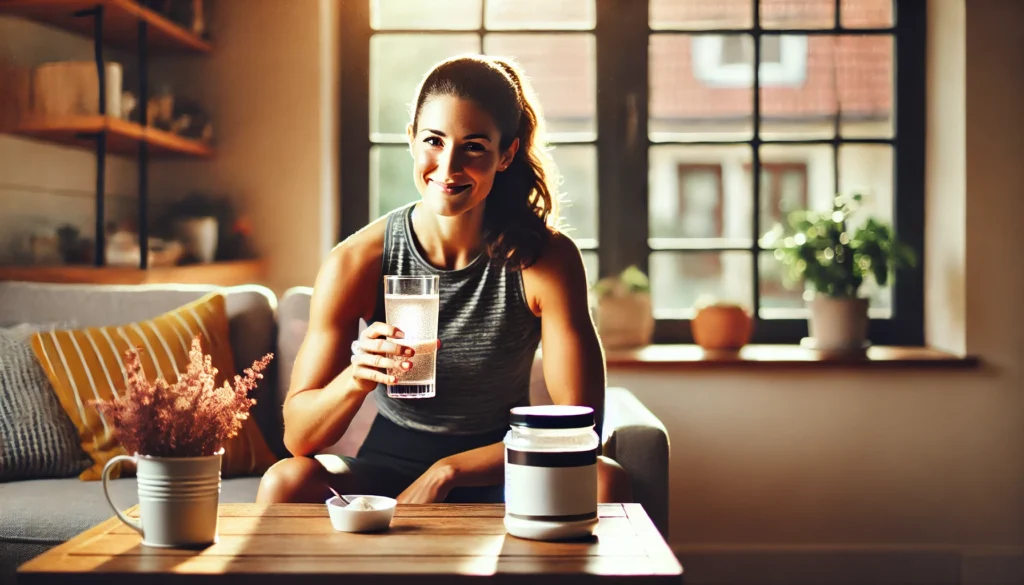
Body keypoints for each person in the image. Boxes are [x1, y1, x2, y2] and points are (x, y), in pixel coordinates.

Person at [256, 55, 632, 505]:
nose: (449, 167)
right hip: (390, 464)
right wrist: (357, 377)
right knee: (285, 481)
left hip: (503, 467)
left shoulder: (544, 259)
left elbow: (580, 426)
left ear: (506, 154)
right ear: (412, 140)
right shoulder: (358, 260)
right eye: (434, 140)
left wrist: (449, 470)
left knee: (605, 479)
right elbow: (299, 437)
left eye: (473, 146)